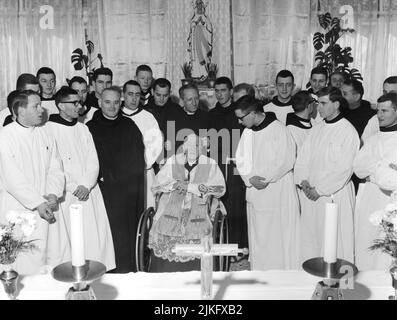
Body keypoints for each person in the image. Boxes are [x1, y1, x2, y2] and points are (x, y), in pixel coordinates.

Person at [45, 86, 115, 271]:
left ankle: (95, 275)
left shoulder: (83, 129)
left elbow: (93, 160)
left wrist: (86, 184)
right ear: (60, 105)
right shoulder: (48, 130)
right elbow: (53, 165)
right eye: (74, 103)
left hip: (88, 192)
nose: (79, 106)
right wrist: (73, 186)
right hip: (65, 195)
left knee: (92, 238)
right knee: (67, 244)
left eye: (80, 102)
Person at [0, 90, 64, 275]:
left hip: (46, 208)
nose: (42, 110)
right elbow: (12, 179)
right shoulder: (5, 136)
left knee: (46, 261)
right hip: (18, 210)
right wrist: (37, 202)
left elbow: (55, 167)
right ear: (20, 109)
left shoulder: (45, 133)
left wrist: (53, 193)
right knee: (20, 263)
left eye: (40, 105)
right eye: (35, 106)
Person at [294, 87, 359, 263]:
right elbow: (303, 158)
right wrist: (304, 182)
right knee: (311, 241)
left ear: (336, 104)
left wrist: (319, 190)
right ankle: (310, 280)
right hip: (311, 195)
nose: (318, 108)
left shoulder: (348, 131)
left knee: (334, 243)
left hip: (333, 195)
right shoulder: (317, 129)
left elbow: (344, 169)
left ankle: (338, 285)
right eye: (317, 103)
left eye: (323, 103)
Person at [235, 96, 300, 270]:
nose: (239, 122)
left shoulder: (279, 129)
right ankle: (260, 271)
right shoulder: (248, 132)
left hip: (277, 191)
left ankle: (280, 274)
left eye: (241, 117)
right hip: (257, 193)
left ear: (254, 113)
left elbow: (286, 159)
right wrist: (249, 178)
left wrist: (266, 178)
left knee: (278, 235)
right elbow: (240, 159)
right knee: (260, 235)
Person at [87, 86, 146, 273]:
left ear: (120, 103)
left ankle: (127, 269)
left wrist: (125, 181)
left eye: (115, 102)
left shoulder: (129, 126)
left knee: (126, 234)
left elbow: (137, 160)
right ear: (99, 103)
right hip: (102, 191)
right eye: (107, 102)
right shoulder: (89, 128)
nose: (112, 107)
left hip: (126, 192)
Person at [148, 133, 225, 272]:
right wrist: (174, 184)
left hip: (199, 208)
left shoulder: (210, 163)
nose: (192, 149)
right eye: (189, 145)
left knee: (197, 230)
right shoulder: (173, 161)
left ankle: (195, 270)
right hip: (173, 207)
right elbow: (157, 184)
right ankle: (165, 271)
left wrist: (191, 188)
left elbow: (220, 188)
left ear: (201, 147)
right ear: (183, 147)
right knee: (163, 229)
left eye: (196, 145)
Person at [207, 79, 250, 264]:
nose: (220, 94)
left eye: (223, 90)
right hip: (217, 166)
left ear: (231, 91)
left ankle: (240, 247)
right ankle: (221, 247)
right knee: (219, 207)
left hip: (236, 166)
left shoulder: (238, 113)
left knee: (236, 206)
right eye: (216, 91)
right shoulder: (211, 114)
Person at [353, 92, 397, 271]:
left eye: (384, 110)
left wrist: (373, 173)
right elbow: (358, 168)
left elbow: (391, 181)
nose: (379, 115)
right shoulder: (372, 139)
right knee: (365, 245)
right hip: (368, 201)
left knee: (385, 252)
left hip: (389, 201)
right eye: (378, 110)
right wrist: (383, 167)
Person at [121, 80, 163, 208]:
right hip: (122, 174)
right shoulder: (115, 114)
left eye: (137, 95)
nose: (134, 99)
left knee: (146, 208)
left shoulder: (148, 117)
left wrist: (143, 164)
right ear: (123, 95)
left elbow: (156, 146)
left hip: (144, 171)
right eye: (130, 94)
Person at [169, 84, 209, 156]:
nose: (194, 103)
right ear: (182, 100)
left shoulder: (207, 117)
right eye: (190, 99)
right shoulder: (173, 117)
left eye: (196, 98)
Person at [362, 76, 397, 142]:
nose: (387, 96)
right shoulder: (376, 119)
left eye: (392, 93)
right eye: (385, 92)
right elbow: (364, 144)